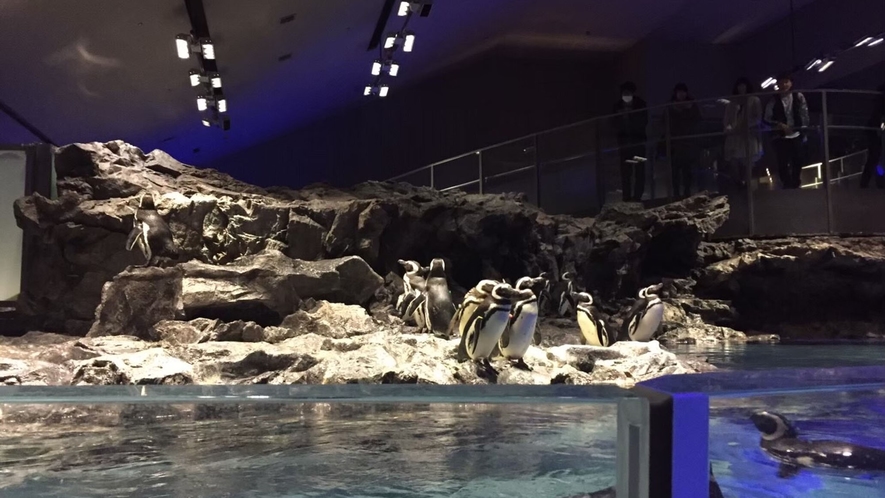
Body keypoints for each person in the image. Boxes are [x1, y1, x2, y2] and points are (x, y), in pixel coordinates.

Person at [763, 73, 810, 189]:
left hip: (796, 132)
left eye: (786, 82)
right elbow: (766, 117)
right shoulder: (773, 100)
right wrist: (779, 124)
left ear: (791, 83)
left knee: (798, 159)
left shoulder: (798, 96)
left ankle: (795, 182)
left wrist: (804, 129)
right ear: (777, 84)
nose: (784, 85)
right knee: (782, 161)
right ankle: (787, 184)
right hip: (780, 135)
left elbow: (804, 113)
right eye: (781, 82)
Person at [723, 77, 763, 191]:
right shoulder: (732, 103)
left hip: (749, 135)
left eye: (743, 85)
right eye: (739, 86)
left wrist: (746, 125)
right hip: (734, 136)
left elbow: (758, 117)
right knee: (733, 161)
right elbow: (726, 120)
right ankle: (739, 184)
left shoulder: (754, 100)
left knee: (748, 162)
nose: (741, 88)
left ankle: (747, 186)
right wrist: (729, 127)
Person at [612, 81, 649, 202]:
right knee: (626, 172)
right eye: (624, 93)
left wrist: (631, 118)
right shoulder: (617, 106)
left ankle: (637, 197)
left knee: (639, 171)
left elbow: (644, 121)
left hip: (637, 142)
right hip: (624, 143)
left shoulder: (640, 104)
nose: (626, 95)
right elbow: (614, 123)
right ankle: (626, 197)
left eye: (628, 92)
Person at [667, 83, 702, 198]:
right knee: (676, 171)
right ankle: (676, 193)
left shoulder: (691, 107)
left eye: (683, 92)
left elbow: (697, 121)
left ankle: (686, 192)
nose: (681, 94)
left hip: (686, 143)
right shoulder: (671, 107)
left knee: (687, 170)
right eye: (679, 92)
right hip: (676, 143)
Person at [860, 83, 885, 189]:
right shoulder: (880, 104)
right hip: (876, 131)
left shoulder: (876, 103)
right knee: (875, 156)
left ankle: (867, 183)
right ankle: (877, 182)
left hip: (874, 131)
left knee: (874, 157)